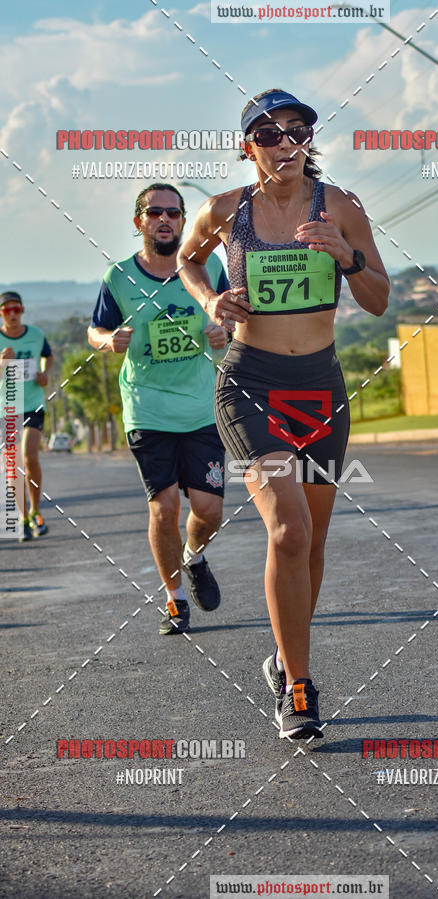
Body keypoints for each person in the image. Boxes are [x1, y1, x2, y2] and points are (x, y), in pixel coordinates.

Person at [177, 90, 389, 739]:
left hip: (320, 388)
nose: (286, 142)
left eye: (298, 131)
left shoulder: (341, 207)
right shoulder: (225, 211)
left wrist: (345, 256)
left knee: (313, 543)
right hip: (251, 383)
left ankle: (282, 655)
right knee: (289, 531)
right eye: (270, 134)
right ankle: (298, 687)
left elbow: (379, 298)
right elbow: (188, 258)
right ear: (249, 147)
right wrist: (212, 298)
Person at [88, 183, 229, 636]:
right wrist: (108, 340)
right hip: (147, 410)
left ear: (184, 221)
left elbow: (234, 314)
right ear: (139, 222)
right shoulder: (119, 278)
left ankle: (194, 557)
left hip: (201, 408)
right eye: (154, 213)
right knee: (164, 508)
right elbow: (95, 329)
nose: (164, 219)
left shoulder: (206, 268)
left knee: (207, 511)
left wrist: (224, 330)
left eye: (173, 212)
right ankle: (174, 599)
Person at [0, 291, 54, 542]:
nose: (12, 314)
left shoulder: (35, 335)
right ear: (1, 314)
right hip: (6, 409)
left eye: (16, 309)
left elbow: (48, 357)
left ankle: (35, 511)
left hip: (33, 404)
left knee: (30, 457)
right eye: (6, 310)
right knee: (12, 466)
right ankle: (23, 518)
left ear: (22, 310)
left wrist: (45, 374)